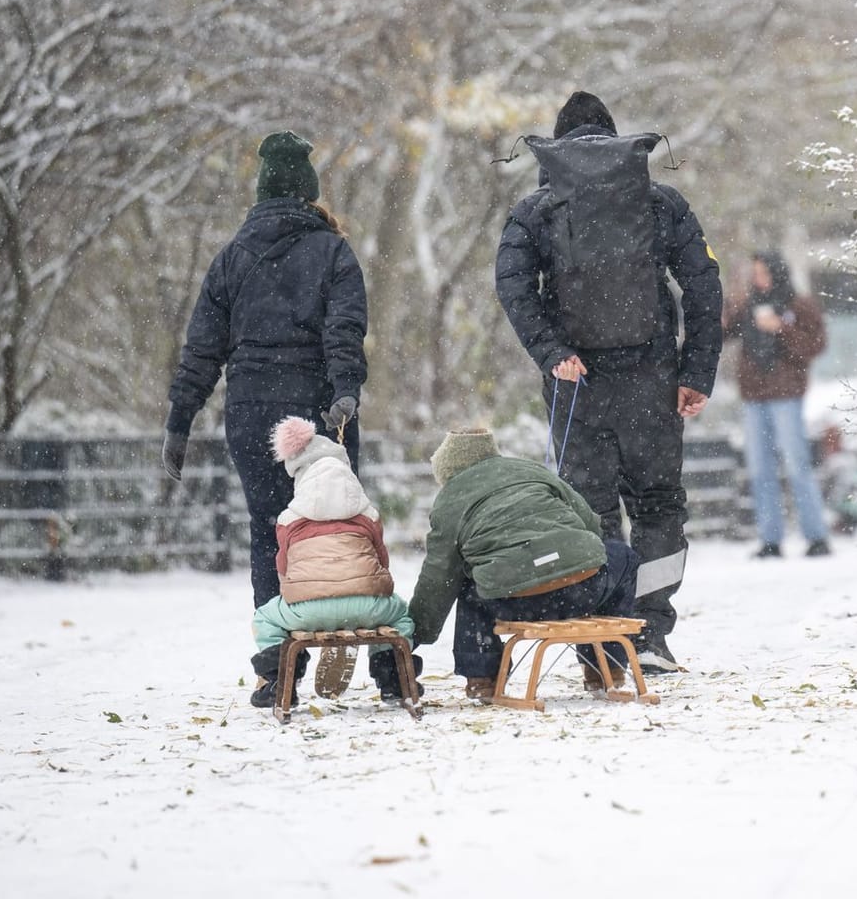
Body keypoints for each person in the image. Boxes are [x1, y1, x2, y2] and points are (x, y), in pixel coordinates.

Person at [494, 91, 722, 672]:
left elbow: (514, 287)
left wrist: (552, 352)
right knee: (658, 504)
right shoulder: (661, 203)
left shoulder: (535, 210)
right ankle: (648, 634)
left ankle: (599, 641)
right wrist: (696, 372)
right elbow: (702, 287)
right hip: (653, 380)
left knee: (588, 511)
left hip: (578, 384)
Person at [162, 131, 367, 695]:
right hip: (320, 408)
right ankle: (338, 631)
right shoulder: (333, 251)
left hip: (252, 410)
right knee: (337, 526)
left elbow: (203, 348)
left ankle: (278, 664)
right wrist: (345, 389)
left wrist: (181, 419)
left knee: (269, 535)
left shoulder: (231, 258)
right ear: (309, 193)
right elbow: (344, 330)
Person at [408, 429, 640, 699]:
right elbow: (591, 523)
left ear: (448, 472)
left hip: (514, 600)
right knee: (624, 557)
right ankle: (605, 666)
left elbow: (439, 577)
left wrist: (417, 632)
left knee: (469, 583)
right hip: (583, 587)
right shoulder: (529, 469)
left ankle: (482, 677)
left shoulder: (449, 500)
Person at [248, 417, 417, 709]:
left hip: (307, 610)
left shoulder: (289, 519)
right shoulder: (368, 514)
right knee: (402, 616)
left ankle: (279, 680)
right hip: (367, 607)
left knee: (264, 618)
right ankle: (392, 678)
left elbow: (284, 570)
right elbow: (381, 562)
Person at [724, 251, 831, 558]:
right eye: (754, 274)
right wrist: (731, 306)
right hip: (754, 396)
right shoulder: (748, 305)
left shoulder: (799, 305)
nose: (759, 280)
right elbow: (725, 333)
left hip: (786, 396)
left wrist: (781, 329)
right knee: (760, 469)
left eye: (763, 273)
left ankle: (816, 536)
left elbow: (815, 345)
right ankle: (770, 539)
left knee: (798, 465)